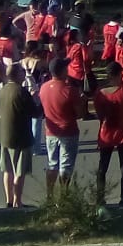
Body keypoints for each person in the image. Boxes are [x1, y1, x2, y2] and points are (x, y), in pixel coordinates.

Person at [39, 57, 87, 196]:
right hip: (68, 131)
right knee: (65, 166)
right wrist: (82, 101)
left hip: (51, 132)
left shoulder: (44, 88)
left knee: (52, 164)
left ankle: (49, 194)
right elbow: (79, 114)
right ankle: (64, 195)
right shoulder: (70, 90)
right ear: (62, 71)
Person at [93, 61, 123, 208]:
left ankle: (100, 198)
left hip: (106, 132)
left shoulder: (100, 94)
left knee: (102, 167)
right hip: (122, 132)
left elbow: (98, 114)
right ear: (119, 74)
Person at [0, 64, 37, 208]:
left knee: (7, 170)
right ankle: (17, 202)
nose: (23, 74)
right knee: (19, 171)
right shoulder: (21, 92)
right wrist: (34, 97)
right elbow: (34, 112)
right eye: (22, 71)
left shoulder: (3, 90)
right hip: (21, 137)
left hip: (5, 136)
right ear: (16, 74)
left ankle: (9, 200)